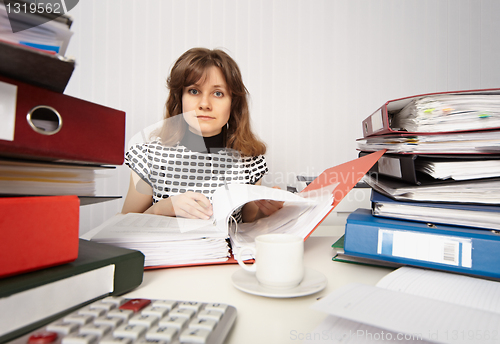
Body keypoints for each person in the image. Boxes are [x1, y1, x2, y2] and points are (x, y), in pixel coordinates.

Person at [122, 47, 283, 223]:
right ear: (180, 98)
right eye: (194, 91)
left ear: (233, 103)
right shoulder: (148, 156)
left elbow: (247, 220)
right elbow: (123, 225)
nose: (205, 104)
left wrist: (265, 210)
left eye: (218, 93)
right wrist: (161, 208)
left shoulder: (249, 160)